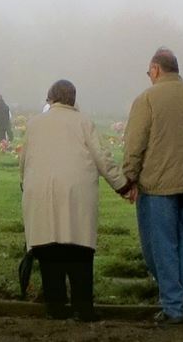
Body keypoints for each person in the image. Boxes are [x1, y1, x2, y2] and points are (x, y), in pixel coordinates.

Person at [123, 47, 183, 325]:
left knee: (162, 247)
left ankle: (173, 308)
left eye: (148, 72)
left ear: (155, 69)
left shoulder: (147, 99)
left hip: (157, 188)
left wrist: (129, 179)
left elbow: (135, 144)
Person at [20, 79, 130, 321]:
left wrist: (24, 184)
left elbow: (24, 160)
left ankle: (56, 306)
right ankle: (83, 307)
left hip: (40, 194)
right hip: (76, 195)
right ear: (73, 99)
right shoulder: (83, 122)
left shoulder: (35, 124)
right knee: (79, 253)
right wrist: (123, 186)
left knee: (49, 253)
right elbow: (103, 158)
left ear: (50, 98)